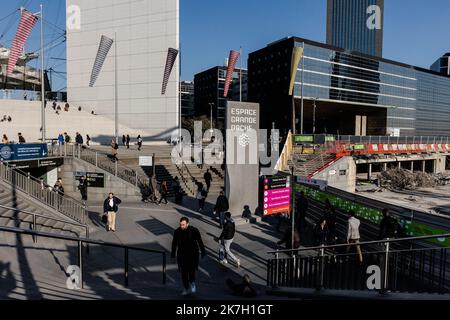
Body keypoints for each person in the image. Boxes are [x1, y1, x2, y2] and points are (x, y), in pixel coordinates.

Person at [171, 217, 206, 296]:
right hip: (182, 256)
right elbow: (174, 244)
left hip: (192, 255)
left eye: (183, 225)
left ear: (187, 224)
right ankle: (186, 288)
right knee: (183, 273)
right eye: (180, 224)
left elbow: (200, 241)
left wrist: (203, 251)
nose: (181, 226)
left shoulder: (194, 230)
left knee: (191, 271)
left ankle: (192, 283)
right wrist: (173, 255)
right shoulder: (177, 232)